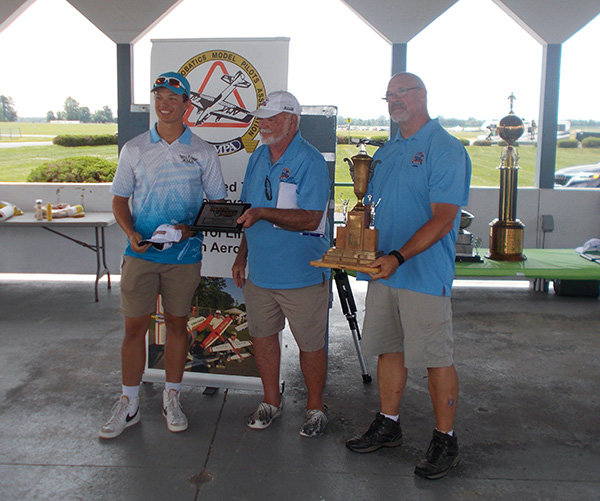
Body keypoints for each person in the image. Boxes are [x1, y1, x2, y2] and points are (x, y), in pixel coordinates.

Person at [345, 72, 472, 479]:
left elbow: (444, 218)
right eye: (390, 95)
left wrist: (399, 256)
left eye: (404, 92)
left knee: (436, 358)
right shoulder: (387, 151)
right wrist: (359, 249)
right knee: (389, 351)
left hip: (421, 273)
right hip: (385, 271)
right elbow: (373, 209)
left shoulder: (445, 148)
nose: (395, 100)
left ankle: (445, 439)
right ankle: (388, 423)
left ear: (423, 96)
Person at [99, 71, 227, 439]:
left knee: (175, 325)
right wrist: (131, 232)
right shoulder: (135, 148)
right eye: (159, 96)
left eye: (173, 97)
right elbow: (120, 200)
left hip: (184, 256)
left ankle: (172, 397)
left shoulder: (202, 151)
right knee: (134, 328)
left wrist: (191, 229)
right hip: (140, 254)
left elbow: (218, 205)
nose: (164, 103)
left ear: (187, 105)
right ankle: (129, 403)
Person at [232, 91, 331, 437]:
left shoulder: (311, 161)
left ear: (293, 121)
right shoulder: (258, 156)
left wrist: (262, 213)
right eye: (263, 117)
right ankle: (271, 401)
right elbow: (249, 210)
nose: (265, 124)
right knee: (263, 337)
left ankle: (316, 408)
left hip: (303, 274)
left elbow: (310, 217)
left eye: (273, 118)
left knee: (310, 345)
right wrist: (241, 255)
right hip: (260, 273)